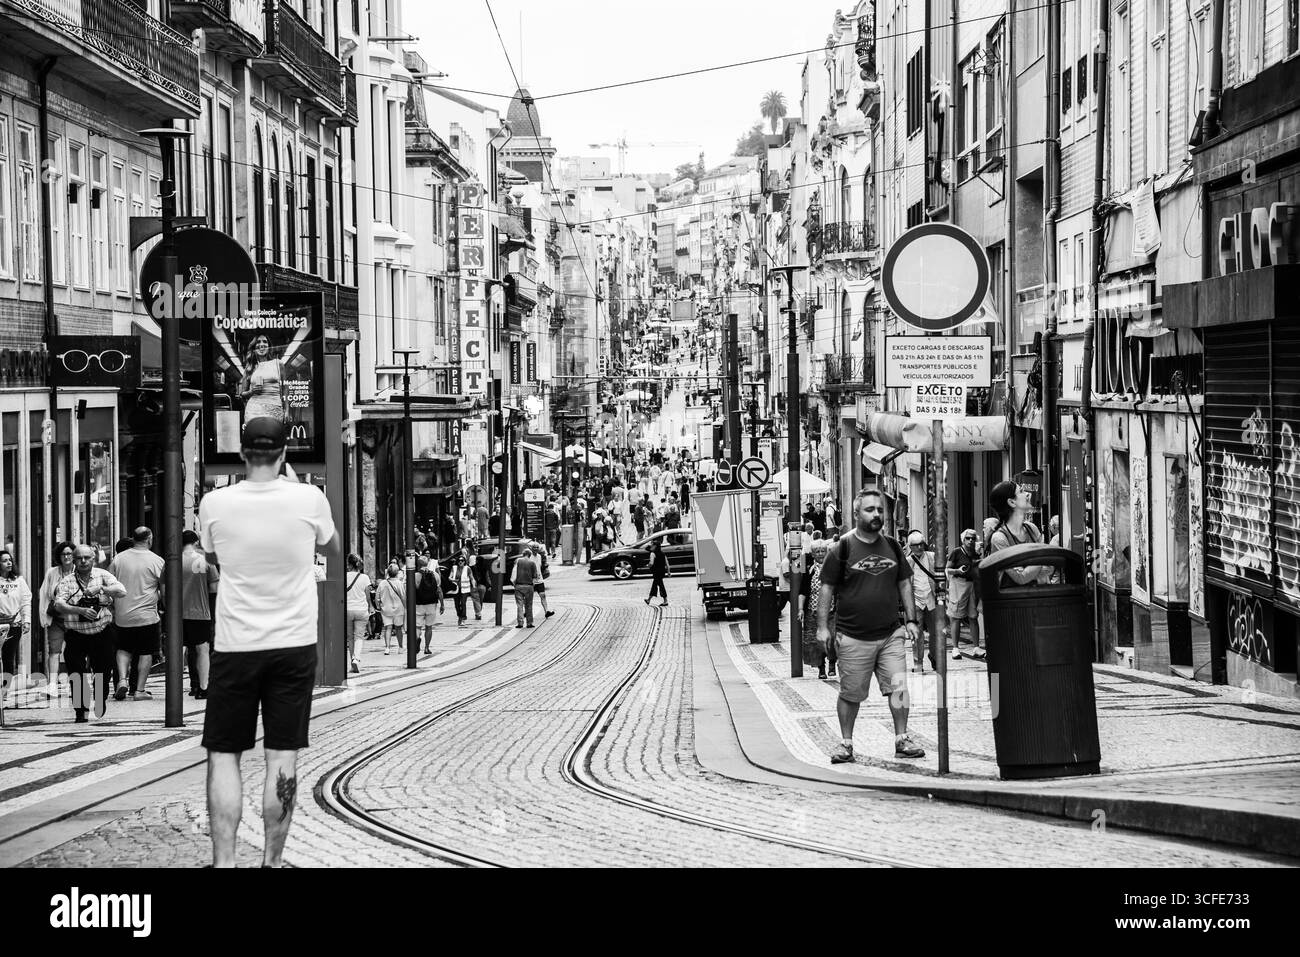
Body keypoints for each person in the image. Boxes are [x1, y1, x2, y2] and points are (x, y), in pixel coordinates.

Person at [198, 416, 339, 868]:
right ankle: (272, 863)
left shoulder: (215, 503)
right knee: (282, 755)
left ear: (242, 453)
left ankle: (224, 863)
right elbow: (331, 549)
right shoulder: (308, 499)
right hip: (293, 645)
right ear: (283, 454)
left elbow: (215, 553)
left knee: (224, 755)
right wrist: (297, 491)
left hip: (235, 644)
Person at [816, 489, 926, 764]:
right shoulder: (841, 548)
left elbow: (904, 582)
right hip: (853, 636)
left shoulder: (892, 546)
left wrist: (911, 620)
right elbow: (826, 588)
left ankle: (902, 739)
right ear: (856, 514)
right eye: (870, 509)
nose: (877, 514)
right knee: (851, 694)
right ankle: (846, 743)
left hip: (890, 633)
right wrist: (822, 627)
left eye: (879, 509)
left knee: (898, 688)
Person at [53, 545, 126, 723]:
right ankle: (80, 710)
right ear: (74, 560)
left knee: (102, 671)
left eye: (87, 558)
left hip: (101, 632)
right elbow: (58, 604)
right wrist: (80, 611)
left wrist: (101, 589)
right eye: (79, 558)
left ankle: (100, 699)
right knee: (76, 673)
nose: (83, 561)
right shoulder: (67, 581)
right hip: (76, 634)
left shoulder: (103, 575)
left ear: (93, 559)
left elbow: (121, 591)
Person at [108, 526, 165, 701]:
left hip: (123, 616)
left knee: (123, 649)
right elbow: (164, 590)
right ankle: (139, 690)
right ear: (150, 539)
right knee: (146, 652)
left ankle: (122, 680)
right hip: (147, 616)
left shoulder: (118, 559)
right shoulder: (157, 561)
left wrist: (112, 607)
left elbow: (108, 585)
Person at [986, 480, 1054, 586]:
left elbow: (1050, 567)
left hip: (1038, 598)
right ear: (1012, 502)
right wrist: (1041, 561)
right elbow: (1021, 577)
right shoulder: (999, 538)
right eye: (1021, 491)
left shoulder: (1031, 528)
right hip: (1013, 600)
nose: (1028, 494)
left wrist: (1030, 569)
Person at [181, 530, 219, 697]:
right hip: (201, 611)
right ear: (196, 542)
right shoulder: (206, 559)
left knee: (188, 648)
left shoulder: (172, 560)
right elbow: (214, 586)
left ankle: (193, 684)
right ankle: (204, 687)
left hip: (179, 614)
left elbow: (164, 588)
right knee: (203, 648)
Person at [37, 542, 76, 699]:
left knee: (74, 652)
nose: (66, 557)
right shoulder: (52, 572)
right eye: (63, 554)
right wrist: (44, 617)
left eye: (69, 554)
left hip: (75, 619)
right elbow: (44, 594)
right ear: (59, 557)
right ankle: (52, 684)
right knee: (54, 650)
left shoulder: (79, 571)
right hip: (57, 618)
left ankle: (75, 684)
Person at [905, 531, 942, 672]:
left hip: (931, 598)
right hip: (915, 600)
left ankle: (934, 656)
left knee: (936, 632)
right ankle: (918, 663)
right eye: (916, 545)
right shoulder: (907, 561)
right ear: (910, 546)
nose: (920, 547)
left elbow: (940, 576)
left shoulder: (932, 557)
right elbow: (905, 583)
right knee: (917, 633)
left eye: (921, 544)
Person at [945, 529, 984, 659]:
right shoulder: (956, 552)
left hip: (973, 584)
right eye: (968, 538)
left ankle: (976, 647)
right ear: (963, 539)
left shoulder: (976, 552)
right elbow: (947, 569)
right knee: (956, 616)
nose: (971, 540)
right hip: (958, 584)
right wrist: (957, 570)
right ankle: (955, 648)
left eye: (973, 538)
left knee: (973, 616)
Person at [801, 541, 836, 680]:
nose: (820, 554)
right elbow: (803, 591)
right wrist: (800, 609)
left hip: (832, 611)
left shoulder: (833, 568)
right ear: (813, 554)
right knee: (816, 642)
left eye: (823, 551)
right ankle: (821, 668)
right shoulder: (809, 570)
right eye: (817, 551)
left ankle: (832, 663)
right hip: (813, 611)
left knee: (833, 638)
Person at [0, 550, 32, 700]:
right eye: (4, 560)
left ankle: (4, 691)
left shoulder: (18, 581)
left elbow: (26, 601)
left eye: (10, 560)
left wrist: (26, 620)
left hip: (14, 624)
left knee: (8, 657)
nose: (9, 563)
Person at [238, 334, 287, 422]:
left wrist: (287, 410)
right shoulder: (249, 368)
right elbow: (242, 394)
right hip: (254, 410)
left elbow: (285, 389)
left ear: (269, 346)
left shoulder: (278, 364)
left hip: (275, 409)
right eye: (258, 342)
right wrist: (251, 392)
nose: (261, 344)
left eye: (265, 341)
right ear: (254, 347)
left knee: (273, 435)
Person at [344, 554, 371, 674]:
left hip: (348, 609)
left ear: (349, 564)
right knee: (359, 636)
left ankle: (352, 662)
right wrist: (370, 606)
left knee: (350, 637)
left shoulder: (344, 576)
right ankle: (356, 659)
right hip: (361, 610)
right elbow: (368, 595)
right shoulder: (365, 577)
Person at [414, 556, 444, 655]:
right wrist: (442, 604)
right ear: (427, 564)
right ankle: (427, 648)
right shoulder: (435, 575)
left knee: (417, 626)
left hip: (419, 604)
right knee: (429, 627)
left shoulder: (415, 576)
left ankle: (418, 638)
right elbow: (439, 591)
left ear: (418, 564)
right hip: (432, 604)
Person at [376, 563, 406, 655]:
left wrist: (378, 605)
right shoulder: (399, 583)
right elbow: (403, 596)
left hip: (386, 609)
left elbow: (377, 596)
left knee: (387, 628)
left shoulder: (382, 583)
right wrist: (405, 607)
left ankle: (387, 648)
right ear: (397, 573)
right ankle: (400, 647)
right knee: (398, 628)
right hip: (398, 609)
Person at [448, 546, 477, 627]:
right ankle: (459, 617)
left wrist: (474, 585)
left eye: (462, 561)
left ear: (464, 562)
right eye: (459, 561)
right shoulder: (454, 568)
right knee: (457, 604)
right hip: (456, 589)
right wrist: (454, 580)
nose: (460, 562)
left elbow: (472, 578)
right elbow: (449, 577)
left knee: (463, 603)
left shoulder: (468, 569)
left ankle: (463, 619)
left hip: (465, 589)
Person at [511, 546, 539, 628]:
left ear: (523, 554)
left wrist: (514, 583)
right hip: (529, 586)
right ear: (530, 555)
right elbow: (535, 576)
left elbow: (514, 573)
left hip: (519, 586)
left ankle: (520, 622)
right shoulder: (532, 563)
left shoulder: (518, 561)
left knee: (519, 605)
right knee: (529, 605)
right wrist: (532, 585)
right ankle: (529, 623)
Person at [644, 539, 669, 607]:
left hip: (656, 572)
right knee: (655, 585)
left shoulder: (653, 554)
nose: (651, 546)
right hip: (662, 572)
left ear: (655, 546)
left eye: (652, 545)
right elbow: (667, 564)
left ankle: (665, 601)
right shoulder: (663, 553)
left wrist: (647, 565)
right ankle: (649, 599)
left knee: (660, 586)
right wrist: (669, 572)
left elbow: (651, 563)